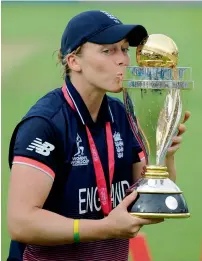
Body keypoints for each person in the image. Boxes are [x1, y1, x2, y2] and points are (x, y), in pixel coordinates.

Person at [7, 10, 190, 261]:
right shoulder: (45, 124)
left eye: (124, 49)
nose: (123, 60)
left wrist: (164, 154)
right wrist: (104, 229)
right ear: (74, 61)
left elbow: (152, 206)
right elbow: (21, 222)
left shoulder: (122, 114)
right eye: (108, 51)